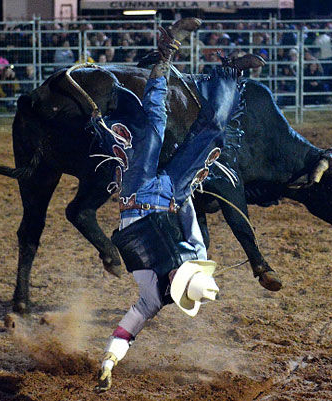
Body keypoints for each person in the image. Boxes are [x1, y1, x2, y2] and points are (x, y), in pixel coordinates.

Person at [88, 18, 268, 392]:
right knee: (211, 135)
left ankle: (167, 54)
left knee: (154, 125)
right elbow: (188, 218)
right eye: (182, 276)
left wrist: (108, 361)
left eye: (178, 281)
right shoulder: (196, 254)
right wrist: (183, 185)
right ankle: (229, 74)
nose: (176, 276)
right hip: (170, 194)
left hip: (136, 194)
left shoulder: (152, 298)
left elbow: (126, 329)